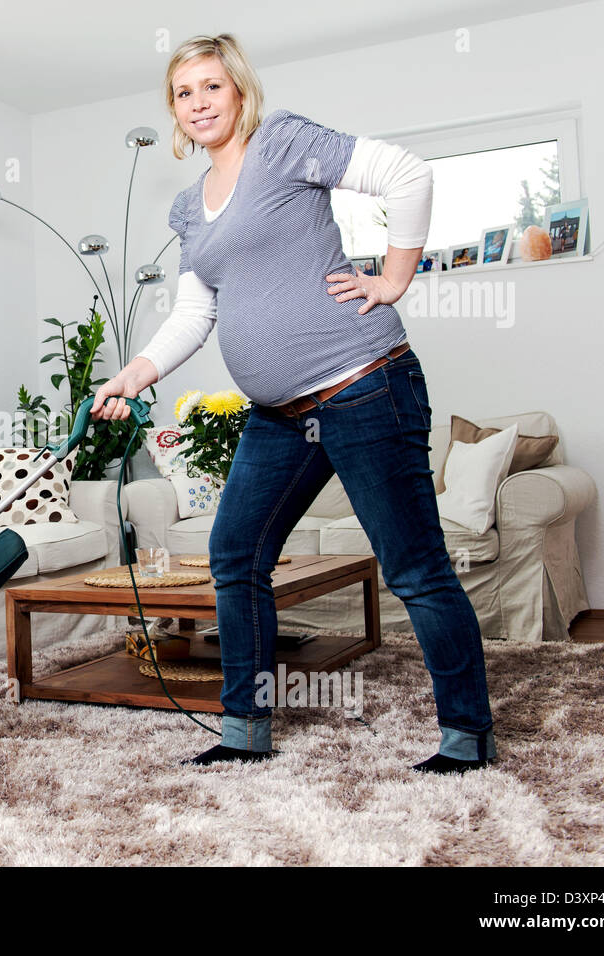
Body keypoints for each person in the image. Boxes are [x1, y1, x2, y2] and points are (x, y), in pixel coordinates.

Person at [90, 33, 495, 774]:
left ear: (239, 90)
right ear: (175, 114)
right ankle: (244, 729)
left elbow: (406, 172)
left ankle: (466, 737)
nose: (199, 102)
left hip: (364, 384)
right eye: (184, 93)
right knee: (235, 554)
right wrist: (135, 372)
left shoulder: (283, 143)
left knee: (413, 566)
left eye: (212, 86)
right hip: (279, 417)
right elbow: (194, 312)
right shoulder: (188, 206)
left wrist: (394, 278)